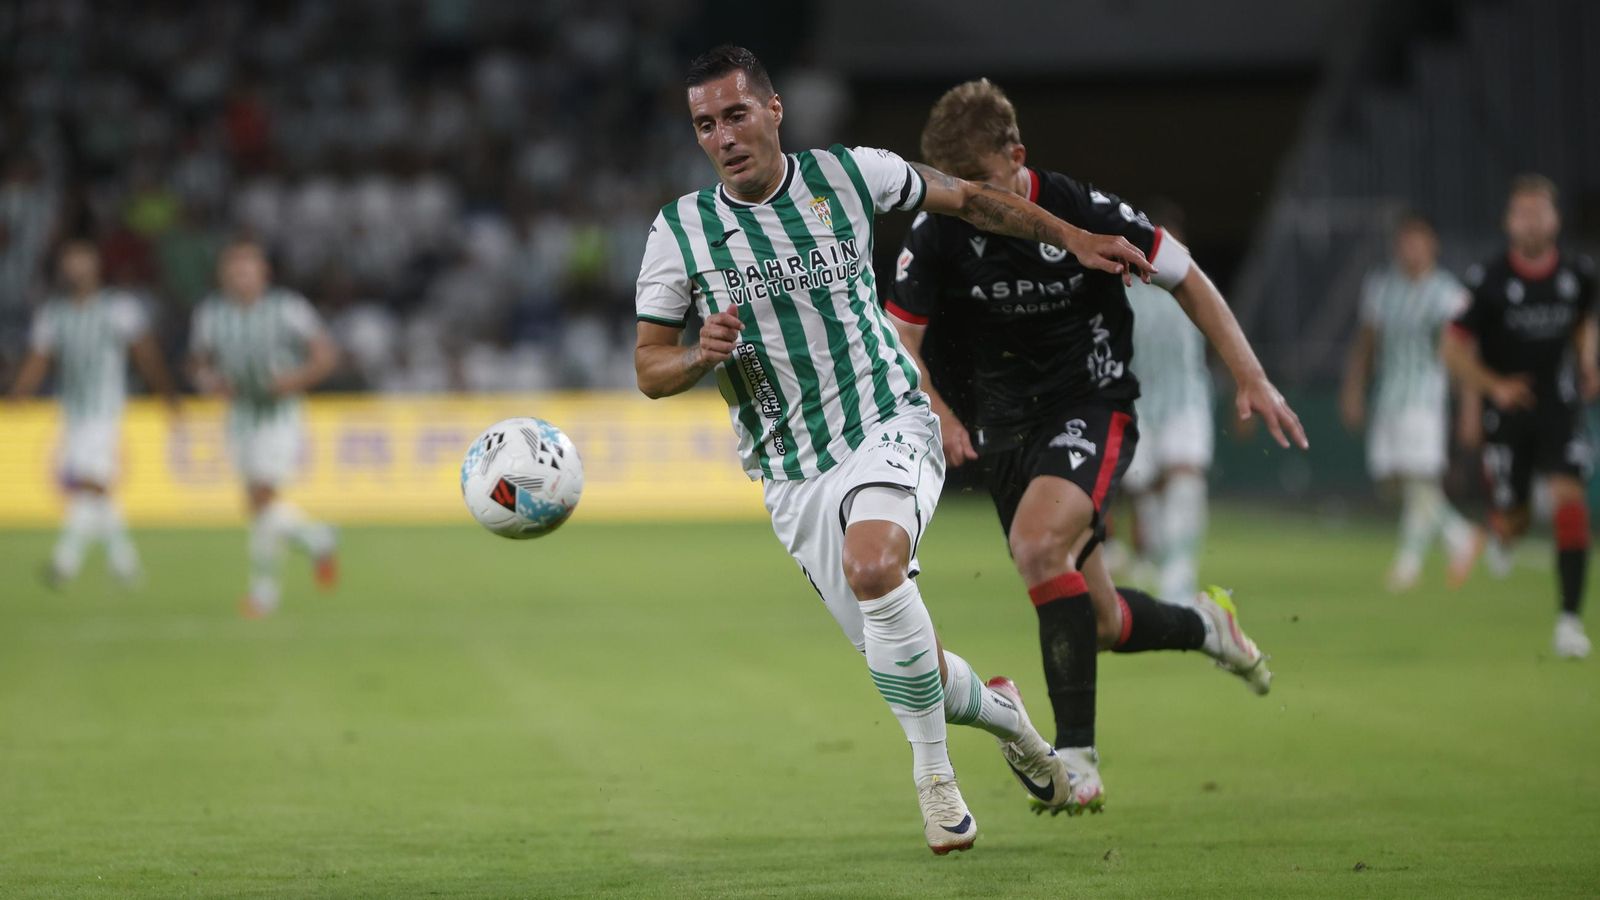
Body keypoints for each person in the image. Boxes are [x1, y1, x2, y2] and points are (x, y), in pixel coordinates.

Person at [632, 46, 1155, 854]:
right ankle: (1008, 720)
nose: (723, 136)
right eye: (706, 125)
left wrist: (1076, 239)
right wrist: (701, 356)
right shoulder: (680, 232)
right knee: (908, 663)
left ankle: (935, 782)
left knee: (875, 566)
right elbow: (648, 368)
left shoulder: (853, 174)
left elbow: (976, 201)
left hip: (887, 418)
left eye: (736, 114)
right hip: (791, 470)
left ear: (774, 111)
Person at [888, 79, 1304, 814]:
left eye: (982, 184)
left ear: (1018, 158)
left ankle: (1074, 761)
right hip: (1006, 428)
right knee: (1101, 621)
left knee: (1038, 547)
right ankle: (1208, 625)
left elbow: (1187, 276)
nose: (971, 202)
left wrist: (1251, 376)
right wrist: (940, 410)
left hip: (1092, 404)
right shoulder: (939, 225)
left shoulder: (1083, 209)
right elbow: (901, 341)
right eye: (956, 187)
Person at [1443, 175, 1598, 658]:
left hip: (1558, 404)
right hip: (1507, 411)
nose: (1531, 220)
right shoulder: (1487, 281)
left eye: (1540, 211)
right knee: (1516, 518)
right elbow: (1451, 348)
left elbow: (1583, 322)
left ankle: (1569, 621)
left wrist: (1588, 362)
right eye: (1522, 212)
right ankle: (1498, 527)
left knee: (1569, 497)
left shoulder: (1578, 274)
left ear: (1555, 220)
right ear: (1508, 222)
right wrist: (1494, 387)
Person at [9, 240, 179, 586]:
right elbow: (38, 359)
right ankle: (124, 564)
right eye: (70, 262)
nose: (76, 269)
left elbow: (145, 353)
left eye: (82, 261)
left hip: (105, 409)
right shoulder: (53, 314)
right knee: (95, 488)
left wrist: (165, 392)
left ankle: (66, 561)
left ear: (96, 266)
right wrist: (19, 394)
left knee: (91, 481)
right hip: (71, 410)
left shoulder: (119, 308)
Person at [189, 239, 340, 618]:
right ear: (223, 276)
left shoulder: (287, 308)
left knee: (262, 496)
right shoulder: (211, 314)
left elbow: (324, 355)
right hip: (239, 415)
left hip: (279, 415)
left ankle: (264, 593)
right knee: (257, 506)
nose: (241, 278)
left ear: (263, 273)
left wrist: (294, 380)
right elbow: (197, 363)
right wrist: (209, 382)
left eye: (248, 270)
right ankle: (317, 537)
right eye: (234, 271)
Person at [1341, 213, 1483, 592]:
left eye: (1418, 241)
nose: (1410, 249)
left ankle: (1408, 565)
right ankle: (1459, 534)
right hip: (1389, 395)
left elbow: (1464, 353)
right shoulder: (1381, 287)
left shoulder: (1449, 294)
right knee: (1392, 479)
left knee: (1419, 477)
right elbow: (1366, 342)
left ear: (1433, 245)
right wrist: (1354, 388)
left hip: (1425, 397)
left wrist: (1470, 406)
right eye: (1404, 242)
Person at [1120, 202, 1214, 605]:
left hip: (1187, 399)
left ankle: (1180, 571)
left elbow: (1220, 334)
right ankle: (1159, 561)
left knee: (1185, 475)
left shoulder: (1195, 287)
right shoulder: (1123, 290)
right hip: (1137, 402)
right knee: (1147, 487)